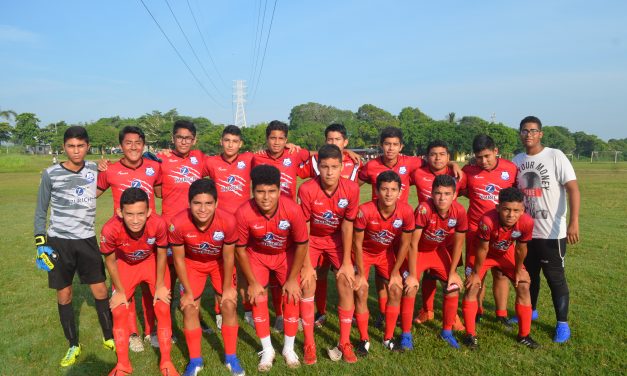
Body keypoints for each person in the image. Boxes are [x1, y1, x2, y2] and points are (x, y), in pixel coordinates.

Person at [34, 126, 114, 367]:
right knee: (65, 294)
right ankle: (73, 344)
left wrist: (104, 168)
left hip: (86, 239)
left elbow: (113, 177)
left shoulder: (94, 169)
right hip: (59, 242)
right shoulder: (50, 174)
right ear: (64, 147)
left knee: (100, 290)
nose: (76, 150)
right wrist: (40, 243)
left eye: (80, 146)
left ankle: (109, 336)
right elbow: (41, 210)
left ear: (87, 146)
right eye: (71, 146)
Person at [234, 165, 314, 371]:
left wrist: (291, 279)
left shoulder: (292, 209)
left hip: (284, 255)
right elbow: (240, 249)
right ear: (253, 192)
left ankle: (288, 348)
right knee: (258, 297)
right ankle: (267, 349)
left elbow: (302, 244)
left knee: (292, 294)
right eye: (260, 191)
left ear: (279, 191)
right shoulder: (243, 212)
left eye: (271, 191)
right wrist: (251, 282)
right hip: (257, 256)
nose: (266, 197)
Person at [512, 115, 580, 343]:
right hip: (526, 233)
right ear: (520, 133)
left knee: (555, 279)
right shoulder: (517, 160)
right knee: (529, 276)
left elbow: (573, 189)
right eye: (524, 130)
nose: (528, 134)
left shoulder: (555, 156)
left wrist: (574, 221)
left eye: (532, 130)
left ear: (540, 133)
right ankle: (529, 312)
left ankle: (562, 324)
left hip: (552, 233)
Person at [169, 179, 244, 376]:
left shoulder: (228, 220)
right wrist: (186, 291)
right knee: (189, 307)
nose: (203, 209)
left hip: (219, 263)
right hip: (192, 264)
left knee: (228, 304)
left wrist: (227, 288)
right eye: (197, 203)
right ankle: (195, 361)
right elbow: (178, 260)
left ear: (216, 204)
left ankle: (231, 357)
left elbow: (229, 256)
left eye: (208, 203)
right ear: (189, 203)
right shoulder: (177, 223)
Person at [97, 125, 162, 352]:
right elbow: (91, 192)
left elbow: (165, 192)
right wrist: (94, 167)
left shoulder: (155, 167)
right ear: (121, 145)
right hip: (123, 239)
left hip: (149, 237)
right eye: (128, 143)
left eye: (137, 143)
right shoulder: (111, 170)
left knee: (151, 289)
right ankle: (133, 333)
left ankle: (152, 331)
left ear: (144, 145)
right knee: (128, 290)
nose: (133, 147)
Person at [100, 188, 177, 376]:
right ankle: (123, 365)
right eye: (130, 214)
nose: (135, 220)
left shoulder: (158, 224)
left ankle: (166, 362)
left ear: (149, 212)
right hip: (126, 265)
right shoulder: (110, 229)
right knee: (118, 310)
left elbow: (161, 254)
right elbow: (109, 260)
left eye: (141, 214)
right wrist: (118, 290)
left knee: (162, 306)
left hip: (150, 263)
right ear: (120, 213)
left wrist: (159, 286)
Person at [298, 144, 360, 363]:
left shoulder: (351, 188)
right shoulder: (306, 189)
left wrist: (345, 262)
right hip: (312, 239)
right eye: (325, 167)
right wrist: (305, 264)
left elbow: (347, 226)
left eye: (334, 167)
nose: (330, 172)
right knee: (307, 282)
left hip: (336, 240)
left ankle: (345, 342)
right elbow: (303, 228)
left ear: (342, 167)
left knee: (345, 279)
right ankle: (309, 343)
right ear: (319, 167)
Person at [461, 187, 539, 349]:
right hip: (482, 254)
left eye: (516, 210)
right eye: (506, 210)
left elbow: (520, 248)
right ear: (498, 208)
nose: (511, 215)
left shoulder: (527, 222)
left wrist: (518, 271)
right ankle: (470, 335)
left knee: (524, 285)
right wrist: (475, 273)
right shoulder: (487, 221)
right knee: (473, 286)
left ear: (523, 210)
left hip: (505, 253)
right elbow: (482, 248)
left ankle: (524, 335)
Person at [353, 171, 416, 354]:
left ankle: (388, 337)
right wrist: (360, 274)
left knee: (396, 289)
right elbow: (356, 243)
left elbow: (406, 243)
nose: (389, 193)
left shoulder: (406, 211)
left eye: (393, 189)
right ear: (377, 190)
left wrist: (396, 272)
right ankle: (364, 339)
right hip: (363, 253)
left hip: (385, 253)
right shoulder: (365, 210)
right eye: (384, 189)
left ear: (399, 192)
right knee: (361, 290)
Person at [459, 134, 517, 326]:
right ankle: (477, 311)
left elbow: (516, 197)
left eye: (487, 156)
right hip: (476, 231)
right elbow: (460, 190)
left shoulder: (510, 169)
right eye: (479, 157)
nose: (483, 161)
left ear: (495, 151)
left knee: (500, 273)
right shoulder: (468, 171)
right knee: (476, 274)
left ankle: (501, 314)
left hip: (503, 232)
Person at [405, 175, 467, 348]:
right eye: (438, 193)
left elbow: (458, 244)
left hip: (438, 251)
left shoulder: (460, 211)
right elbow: (413, 243)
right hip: (420, 253)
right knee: (410, 288)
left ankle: (447, 331)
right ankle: (406, 333)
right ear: (432, 193)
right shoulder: (424, 209)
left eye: (447, 194)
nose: (442, 198)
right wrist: (411, 274)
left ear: (454, 195)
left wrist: (453, 272)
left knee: (452, 287)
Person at [409, 140, 465, 330]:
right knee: (429, 276)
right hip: (425, 230)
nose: (438, 158)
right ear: (426, 156)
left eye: (442, 154)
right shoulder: (418, 172)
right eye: (433, 154)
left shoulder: (456, 174)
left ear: (449, 157)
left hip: (447, 238)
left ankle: (453, 315)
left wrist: (453, 165)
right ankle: (427, 309)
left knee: (449, 279)